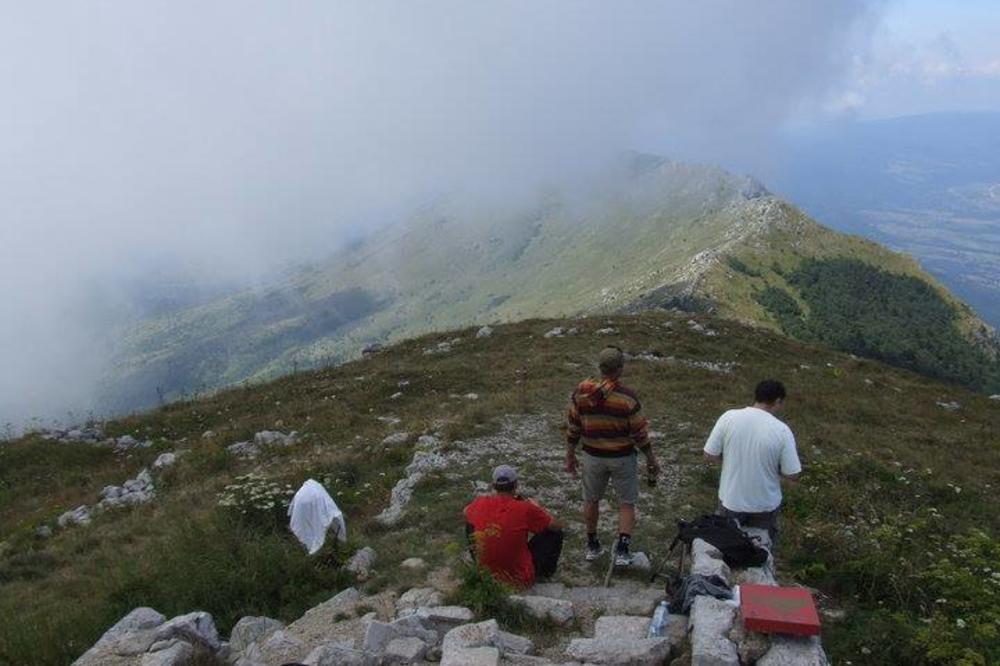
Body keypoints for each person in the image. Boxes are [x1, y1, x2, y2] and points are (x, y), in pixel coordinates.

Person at [565, 345, 661, 565]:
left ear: (600, 368)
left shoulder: (581, 393)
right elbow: (640, 434)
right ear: (620, 369)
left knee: (591, 499)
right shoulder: (627, 398)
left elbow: (573, 427)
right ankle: (622, 550)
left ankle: (592, 545)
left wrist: (570, 455)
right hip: (622, 457)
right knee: (626, 502)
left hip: (592, 456)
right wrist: (651, 460)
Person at [703, 379, 802, 546]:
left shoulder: (729, 417)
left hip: (731, 499)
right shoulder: (782, 430)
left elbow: (709, 455)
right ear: (777, 401)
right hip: (765, 505)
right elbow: (792, 474)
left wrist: (730, 460)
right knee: (760, 550)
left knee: (728, 545)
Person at [464, 464, 563, 588]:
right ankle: (544, 574)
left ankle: (479, 563)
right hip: (518, 578)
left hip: (486, 575)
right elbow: (557, 526)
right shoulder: (525, 508)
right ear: (516, 485)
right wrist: (538, 508)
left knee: (470, 522)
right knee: (555, 533)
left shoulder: (480, 503)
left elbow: (465, 511)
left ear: (493, 486)